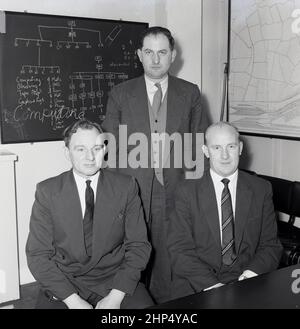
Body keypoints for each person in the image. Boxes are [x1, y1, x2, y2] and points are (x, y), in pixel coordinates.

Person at [102, 26, 209, 303]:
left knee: (168, 260)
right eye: (149, 52)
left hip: (174, 190)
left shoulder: (191, 93)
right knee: (131, 256)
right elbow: (110, 149)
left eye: (162, 52)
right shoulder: (120, 93)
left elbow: (199, 145)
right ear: (139, 55)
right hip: (132, 190)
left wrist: (197, 193)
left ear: (173, 55)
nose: (155, 59)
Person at [26, 119, 153, 309]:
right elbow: (37, 255)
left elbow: (139, 246)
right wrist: (73, 301)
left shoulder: (126, 187)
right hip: (65, 281)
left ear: (105, 149)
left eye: (96, 148)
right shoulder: (47, 192)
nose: (90, 157)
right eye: (80, 149)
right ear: (67, 152)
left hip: (114, 279)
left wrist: (116, 296)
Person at [167, 121, 283, 299]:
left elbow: (270, 246)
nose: (225, 155)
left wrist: (248, 277)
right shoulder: (186, 192)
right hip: (199, 284)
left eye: (231, 146)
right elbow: (179, 251)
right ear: (206, 151)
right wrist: (214, 286)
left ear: (240, 148)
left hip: (248, 279)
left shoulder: (261, 189)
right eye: (216, 148)